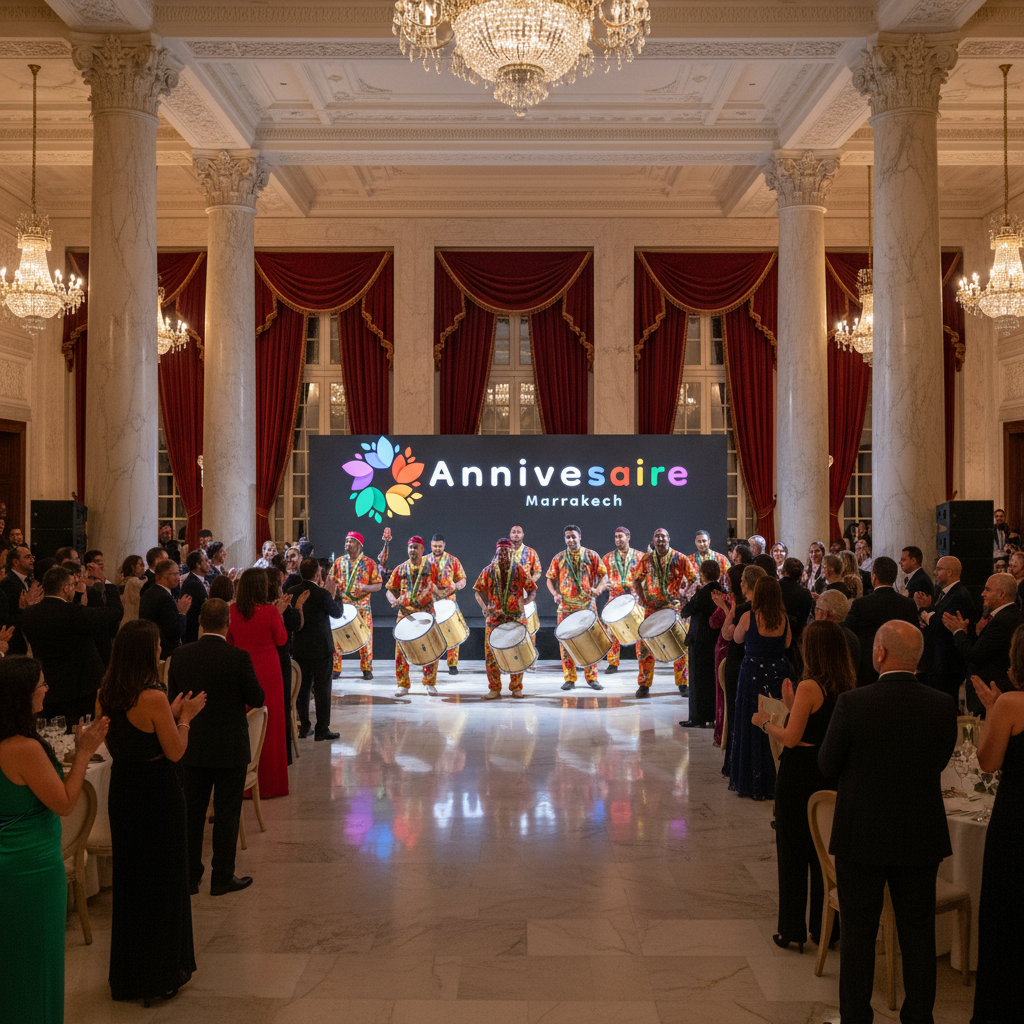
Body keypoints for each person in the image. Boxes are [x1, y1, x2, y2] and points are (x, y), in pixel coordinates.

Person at [818, 621, 956, 1024]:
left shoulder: (853, 703)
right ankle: (918, 1017)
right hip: (920, 832)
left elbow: (827, 765)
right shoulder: (941, 703)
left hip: (862, 834)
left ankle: (856, 1017)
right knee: (918, 933)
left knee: (858, 935)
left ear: (878, 654)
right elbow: (940, 760)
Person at [98, 619, 206, 1005]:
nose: (161, 649)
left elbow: (119, 742)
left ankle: (129, 974)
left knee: (131, 882)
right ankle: (160, 974)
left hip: (124, 791)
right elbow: (175, 751)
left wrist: (169, 714)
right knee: (163, 881)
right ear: (147, 651)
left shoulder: (105, 694)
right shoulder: (152, 697)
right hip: (158, 793)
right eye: (158, 645)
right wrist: (185, 717)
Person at [0, 657, 109, 1024]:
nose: (47, 689)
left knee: (9, 964)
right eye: (41, 685)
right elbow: (64, 803)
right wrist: (83, 752)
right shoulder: (22, 748)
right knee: (37, 963)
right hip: (31, 869)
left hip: (9, 865)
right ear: (22, 696)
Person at [752, 619, 852, 952]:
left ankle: (791, 929)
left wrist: (765, 722)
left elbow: (792, 738)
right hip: (828, 772)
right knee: (823, 850)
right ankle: (826, 928)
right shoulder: (846, 682)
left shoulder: (810, 685)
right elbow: (818, 724)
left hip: (801, 773)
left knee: (793, 852)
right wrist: (793, 704)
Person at [168, 599, 265, 897]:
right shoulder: (237, 657)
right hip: (229, 747)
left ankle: (189, 876)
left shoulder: (181, 655)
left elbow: (174, 699)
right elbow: (257, 697)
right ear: (228, 623)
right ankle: (222, 877)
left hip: (192, 744)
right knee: (227, 812)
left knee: (192, 812)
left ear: (199, 622)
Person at [969, 630, 1024, 1024]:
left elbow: (987, 763)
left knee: (1007, 915)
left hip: (1016, 821)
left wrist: (993, 711)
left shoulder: (1011, 703)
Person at [21, 566, 124, 728]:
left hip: (49, 687)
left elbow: (59, 623)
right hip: (81, 688)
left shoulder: (28, 614)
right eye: (73, 585)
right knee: (81, 733)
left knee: (54, 734)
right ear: (66, 588)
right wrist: (106, 582)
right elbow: (114, 610)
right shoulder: (75, 614)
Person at [227, 569, 289, 797]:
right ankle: (270, 783)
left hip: (241, 669)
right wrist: (280, 615)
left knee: (244, 723)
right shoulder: (270, 612)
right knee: (268, 724)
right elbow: (281, 639)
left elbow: (229, 640)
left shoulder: (233, 610)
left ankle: (242, 783)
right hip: (267, 670)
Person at [729, 575, 791, 801]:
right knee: (776, 719)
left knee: (751, 722)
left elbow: (736, 639)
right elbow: (787, 644)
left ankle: (753, 780)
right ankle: (775, 776)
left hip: (753, 674)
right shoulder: (783, 618)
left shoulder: (749, 616)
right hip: (778, 673)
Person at [945, 573, 1024, 717]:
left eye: (987, 590)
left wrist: (957, 631)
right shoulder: (1009, 615)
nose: (982, 594)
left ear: (1001, 594)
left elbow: (974, 655)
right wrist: (967, 633)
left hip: (993, 691)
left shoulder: (1001, 622)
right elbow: (984, 647)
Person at [714, 564, 766, 775]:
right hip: (757, 663)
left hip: (740, 663)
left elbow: (728, 634)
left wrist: (728, 609)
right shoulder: (769, 606)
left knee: (738, 715)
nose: (741, 583)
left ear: (748, 583)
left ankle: (737, 764)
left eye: (744, 580)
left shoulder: (745, 609)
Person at [631, 528, 695, 699]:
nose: (660, 539)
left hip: (673, 608)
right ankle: (644, 684)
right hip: (651, 609)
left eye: (663, 536)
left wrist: (685, 594)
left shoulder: (680, 558)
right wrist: (643, 598)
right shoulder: (646, 559)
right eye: (657, 536)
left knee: (680, 645)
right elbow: (636, 579)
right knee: (646, 647)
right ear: (653, 540)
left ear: (669, 539)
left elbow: (693, 579)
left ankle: (683, 683)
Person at [547, 524, 609, 692]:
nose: (571, 539)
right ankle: (569, 678)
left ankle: (592, 678)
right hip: (565, 608)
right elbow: (549, 579)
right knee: (566, 644)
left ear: (579, 537)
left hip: (586, 606)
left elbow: (604, 577)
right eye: (568, 537)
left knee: (591, 642)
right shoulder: (559, 558)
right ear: (565, 539)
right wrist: (555, 593)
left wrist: (599, 589)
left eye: (573, 536)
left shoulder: (591, 555)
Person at [474, 538, 537, 698]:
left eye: (506, 552)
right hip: (494, 621)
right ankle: (494, 688)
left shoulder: (519, 570)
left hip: (516, 620)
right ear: (496, 553)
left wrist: (524, 602)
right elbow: (478, 591)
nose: (503, 556)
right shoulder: (488, 571)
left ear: (512, 553)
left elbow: (532, 590)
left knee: (518, 653)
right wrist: (484, 607)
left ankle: (516, 687)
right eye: (500, 552)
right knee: (491, 655)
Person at [843, 555, 919, 688]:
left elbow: (846, 633)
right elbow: (916, 636)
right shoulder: (908, 605)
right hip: (900, 668)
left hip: (868, 669)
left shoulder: (861, 604)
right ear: (894, 577)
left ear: (874, 577)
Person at [288, 558, 342, 739]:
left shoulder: (291, 591)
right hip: (321, 649)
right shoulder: (322, 594)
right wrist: (336, 595)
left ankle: (304, 726)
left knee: (302, 690)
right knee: (322, 689)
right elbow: (337, 613)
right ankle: (322, 729)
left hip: (300, 649)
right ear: (318, 573)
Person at [386, 536, 441, 697]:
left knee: (430, 649)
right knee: (401, 651)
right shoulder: (400, 569)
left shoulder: (432, 568)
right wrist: (393, 599)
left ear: (423, 550)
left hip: (426, 614)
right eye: (410, 547)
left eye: (416, 547)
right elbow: (389, 589)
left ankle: (430, 683)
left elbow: (441, 588)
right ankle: (402, 684)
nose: (413, 550)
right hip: (405, 615)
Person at [917, 555, 976, 701]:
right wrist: (928, 614)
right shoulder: (942, 593)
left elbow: (942, 625)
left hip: (947, 665)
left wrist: (923, 613)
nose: (935, 572)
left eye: (939, 569)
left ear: (950, 572)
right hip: (936, 662)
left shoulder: (959, 596)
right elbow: (936, 617)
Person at [329, 531, 383, 681]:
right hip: (342, 605)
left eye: (350, 541)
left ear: (359, 545)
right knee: (337, 636)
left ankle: (366, 668)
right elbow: (331, 581)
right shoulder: (339, 562)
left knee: (365, 637)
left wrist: (366, 588)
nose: (347, 544)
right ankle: (335, 668)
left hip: (362, 607)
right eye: (346, 541)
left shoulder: (369, 563)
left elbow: (378, 584)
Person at [265, 566, 305, 762]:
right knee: (282, 707)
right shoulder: (280, 606)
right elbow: (296, 625)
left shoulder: (258, 606)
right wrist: (298, 606)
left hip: (265, 658)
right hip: (280, 659)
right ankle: (283, 754)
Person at [679, 559, 723, 728]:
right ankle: (713, 715)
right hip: (716, 640)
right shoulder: (722, 591)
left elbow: (685, 612)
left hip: (700, 641)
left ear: (703, 575)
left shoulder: (702, 593)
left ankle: (697, 717)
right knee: (713, 679)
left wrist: (684, 596)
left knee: (697, 681)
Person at [602, 526, 641, 675]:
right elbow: (603, 578)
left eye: (620, 536)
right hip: (615, 599)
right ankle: (612, 663)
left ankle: (642, 660)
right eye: (616, 537)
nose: (618, 539)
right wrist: (606, 584)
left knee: (640, 630)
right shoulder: (607, 558)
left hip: (634, 598)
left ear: (628, 537)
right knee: (612, 631)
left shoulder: (639, 556)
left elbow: (646, 577)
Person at [427, 534, 467, 675]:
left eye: (440, 546)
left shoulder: (453, 560)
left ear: (444, 545)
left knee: (453, 634)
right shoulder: (423, 561)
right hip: (430, 604)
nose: (437, 548)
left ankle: (452, 664)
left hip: (449, 602)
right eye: (435, 546)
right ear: (431, 545)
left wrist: (455, 586)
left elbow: (462, 580)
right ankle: (431, 664)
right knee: (431, 636)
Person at [138, 558, 192, 660]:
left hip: (150, 647)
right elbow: (174, 632)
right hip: (164, 652)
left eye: (178, 574)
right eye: (174, 574)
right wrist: (182, 613)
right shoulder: (164, 597)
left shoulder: (150, 592)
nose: (178, 578)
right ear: (161, 576)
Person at [2, 545, 43, 654]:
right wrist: (27, 608)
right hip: (14, 644)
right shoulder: (8, 583)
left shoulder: (27, 580)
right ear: (16, 562)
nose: (32, 560)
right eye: (28, 557)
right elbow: (5, 619)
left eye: (32, 557)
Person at [814, 590, 861, 672]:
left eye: (817, 608)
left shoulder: (825, 638)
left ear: (826, 614)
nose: (815, 612)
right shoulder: (851, 636)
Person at [180, 549, 209, 645]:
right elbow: (194, 611)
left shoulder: (196, 581)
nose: (208, 563)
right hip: (193, 633)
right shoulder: (193, 583)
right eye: (205, 560)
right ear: (198, 564)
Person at [118, 554, 146, 626]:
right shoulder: (133, 582)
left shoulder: (124, 582)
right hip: (133, 621)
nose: (144, 567)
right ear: (132, 567)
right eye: (141, 565)